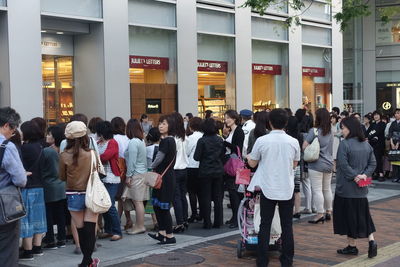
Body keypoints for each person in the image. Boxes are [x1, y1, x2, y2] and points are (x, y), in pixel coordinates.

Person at [246, 108, 300, 267]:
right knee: (287, 226)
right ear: (286, 123)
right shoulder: (293, 141)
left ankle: (262, 261)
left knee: (265, 224)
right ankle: (287, 260)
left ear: (270, 122)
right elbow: (295, 164)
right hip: (286, 188)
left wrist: (248, 157)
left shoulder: (262, 141)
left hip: (267, 188)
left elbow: (252, 163)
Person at [333, 117, 377, 258]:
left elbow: (343, 165)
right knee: (363, 216)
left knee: (348, 217)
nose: (342, 130)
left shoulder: (344, 144)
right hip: (361, 189)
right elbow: (373, 163)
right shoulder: (366, 144)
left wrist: (355, 176)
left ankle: (352, 246)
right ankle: (371, 241)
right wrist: (363, 175)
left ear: (350, 128)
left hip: (346, 188)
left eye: (343, 128)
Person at [60, 121, 100, 267]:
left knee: (81, 229)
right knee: (90, 228)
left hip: (73, 194)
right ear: (85, 137)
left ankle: (87, 260)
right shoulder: (92, 154)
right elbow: (98, 172)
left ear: (68, 138)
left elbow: (62, 177)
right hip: (91, 193)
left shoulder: (64, 155)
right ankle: (87, 260)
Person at [0, 107, 27, 267]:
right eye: (13, 128)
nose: (13, 133)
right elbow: (20, 180)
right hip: (4, 204)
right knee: (7, 250)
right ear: (6, 126)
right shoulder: (6, 147)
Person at [19, 121, 47, 260]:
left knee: (26, 219)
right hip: (39, 186)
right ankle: (38, 248)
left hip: (27, 188)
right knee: (38, 218)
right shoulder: (42, 147)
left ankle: (28, 251)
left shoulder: (24, 148)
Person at [148, 115, 177, 245]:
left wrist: (151, 167)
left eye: (164, 124)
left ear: (170, 126)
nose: (160, 125)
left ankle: (169, 236)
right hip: (166, 176)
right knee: (158, 206)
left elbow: (160, 157)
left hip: (164, 178)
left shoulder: (166, 141)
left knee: (162, 207)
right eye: (160, 123)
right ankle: (162, 233)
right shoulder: (170, 140)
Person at [303, 108, 334, 224]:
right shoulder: (330, 132)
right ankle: (329, 211)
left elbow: (304, 146)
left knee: (317, 190)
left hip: (316, 164)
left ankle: (320, 214)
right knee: (327, 189)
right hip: (328, 163)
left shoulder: (314, 131)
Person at [194, 118, 225, 229]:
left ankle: (207, 222)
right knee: (218, 197)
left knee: (205, 197)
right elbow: (222, 155)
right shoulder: (220, 140)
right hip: (218, 170)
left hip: (205, 171)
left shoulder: (202, 141)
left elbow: (196, 157)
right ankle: (218, 221)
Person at [96, 121, 122, 241]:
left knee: (110, 204)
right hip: (101, 177)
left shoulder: (112, 143)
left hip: (111, 177)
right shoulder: (99, 143)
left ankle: (117, 231)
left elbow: (105, 157)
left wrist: (95, 158)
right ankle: (108, 230)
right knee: (105, 205)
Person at [41, 126, 67, 249]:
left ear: (55, 137)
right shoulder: (64, 150)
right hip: (62, 185)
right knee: (61, 213)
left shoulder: (47, 151)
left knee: (49, 214)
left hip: (49, 186)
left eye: (49, 134)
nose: (47, 136)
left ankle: (50, 239)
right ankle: (62, 238)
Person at [124, 119, 148, 235]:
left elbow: (132, 161)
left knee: (137, 201)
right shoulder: (141, 141)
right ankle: (140, 225)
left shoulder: (133, 141)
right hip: (142, 173)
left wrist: (128, 176)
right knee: (139, 201)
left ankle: (139, 226)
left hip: (136, 174)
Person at [170, 112, 189, 233]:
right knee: (182, 196)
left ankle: (179, 222)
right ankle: (184, 220)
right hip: (184, 169)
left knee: (176, 197)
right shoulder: (185, 137)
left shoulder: (173, 139)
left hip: (175, 170)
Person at [110, 117, 131, 230]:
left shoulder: (113, 139)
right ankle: (127, 219)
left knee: (115, 196)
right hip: (126, 168)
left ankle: (117, 220)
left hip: (116, 168)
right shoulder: (127, 138)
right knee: (123, 196)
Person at [296, 109, 314, 214]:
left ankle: (308, 207)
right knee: (308, 184)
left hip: (302, 160)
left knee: (304, 184)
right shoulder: (312, 132)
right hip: (310, 160)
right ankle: (311, 206)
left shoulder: (300, 134)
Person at [186, 117, 203, 223]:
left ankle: (194, 213)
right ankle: (202, 213)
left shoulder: (191, 138)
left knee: (192, 192)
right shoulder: (203, 136)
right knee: (201, 192)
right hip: (202, 167)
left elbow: (187, 152)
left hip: (191, 166)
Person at [145, 127, 161, 230]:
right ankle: (161, 220)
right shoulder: (163, 147)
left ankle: (155, 221)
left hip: (150, 174)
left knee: (151, 198)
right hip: (161, 174)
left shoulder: (147, 149)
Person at [368, 111, 386, 182]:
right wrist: (368, 137)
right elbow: (367, 132)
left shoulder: (382, 124)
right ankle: (375, 173)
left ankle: (381, 174)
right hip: (372, 144)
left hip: (380, 144)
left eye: (377, 115)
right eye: (374, 115)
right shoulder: (372, 124)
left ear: (380, 116)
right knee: (373, 159)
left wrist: (369, 136)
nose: (376, 116)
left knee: (378, 159)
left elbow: (377, 132)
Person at [389, 109, 400, 183]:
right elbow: (390, 133)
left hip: (399, 143)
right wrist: (392, 143)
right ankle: (395, 176)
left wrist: (398, 143)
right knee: (394, 160)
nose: (396, 115)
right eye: (395, 113)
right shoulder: (393, 123)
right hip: (393, 142)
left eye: (398, 113)